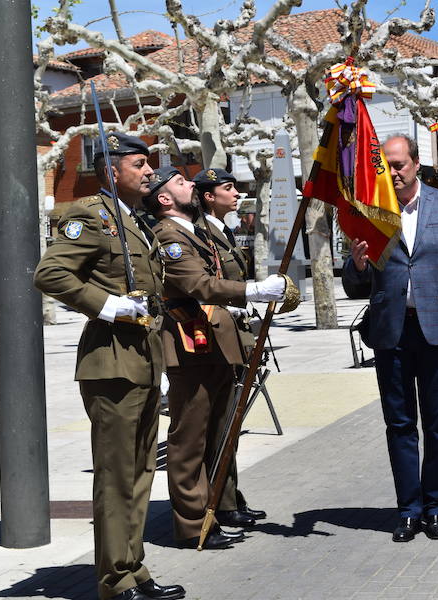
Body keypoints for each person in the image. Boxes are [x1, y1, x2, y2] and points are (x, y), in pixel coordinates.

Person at [34, 132, 185, 600]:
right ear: (111, 170)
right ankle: (114, 579)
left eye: (149, 164)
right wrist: (106, 305)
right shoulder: (89, 216)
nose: (148, 171)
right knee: (117, 474)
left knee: (140, 472)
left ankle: (132, 568)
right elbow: (50, 273)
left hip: (142, 359)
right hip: (111, 363)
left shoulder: (133, 221)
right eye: (139, 164)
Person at [343, 135, 438, 542]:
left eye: (400, 164)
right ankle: (408, 509)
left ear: (417, 164)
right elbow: (356, 284)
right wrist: (354, 266)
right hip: (391, 330)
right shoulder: (371, 211)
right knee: (400, 424)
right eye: (386, 165)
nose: (393, 172)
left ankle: (435, 506)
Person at [147, 167, 293, 550]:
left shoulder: (190, 230)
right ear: (164, 198)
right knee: (190, 439)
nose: (191, 185)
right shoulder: (169, 235)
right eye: (181, 183)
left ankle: (215, 506)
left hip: (212, 340)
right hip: (188, 342)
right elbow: (197, 284)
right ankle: (194, 524)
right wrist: (254, 290)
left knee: (217, 432)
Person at [192, 167, 270, 527]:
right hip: (217, 335)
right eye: (228, 188)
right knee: (222, 424)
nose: (236, 193)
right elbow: (211, 286)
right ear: (209, 196)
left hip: (236, 332)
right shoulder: (200, 232)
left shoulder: (224, 231)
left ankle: (230, 496)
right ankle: (223, 502)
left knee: (230, 423)